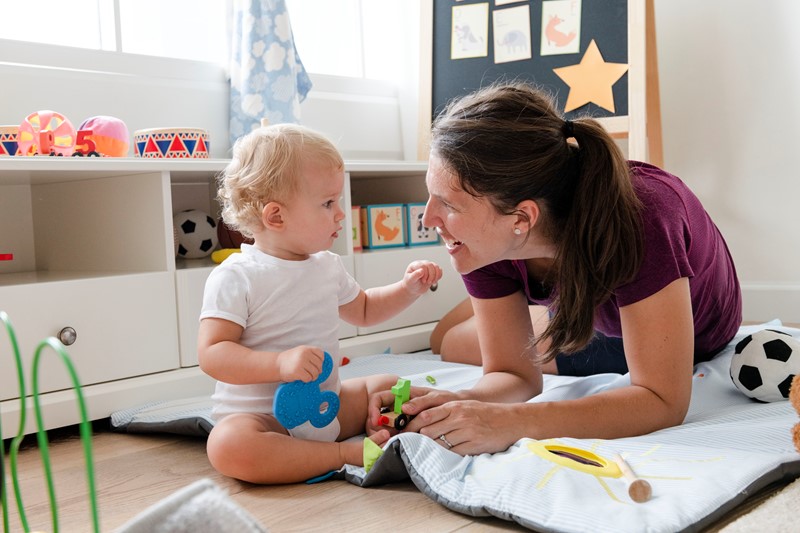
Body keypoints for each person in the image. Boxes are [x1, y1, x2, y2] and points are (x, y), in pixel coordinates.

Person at [369, 81, 741, 455]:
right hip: (578, 292)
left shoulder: (645, 218)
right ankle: (532, 298)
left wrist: (512, 422)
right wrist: (459, 404)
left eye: (448, 204)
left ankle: (535, 301)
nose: (428, 218)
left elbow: (662, 399)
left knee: (457, 343)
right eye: (430, 195)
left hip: (693, 335)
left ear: (521, 217)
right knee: (446, 339)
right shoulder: (483, 242)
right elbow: (513, 374)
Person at [198, 123, 442, 484]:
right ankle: (341, 453)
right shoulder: (238, 275)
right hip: (263, 419)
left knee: (389, 385)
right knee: (227, 446)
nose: (341, 214)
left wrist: (407, 289)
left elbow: (364, 310)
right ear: (276, 216)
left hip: (326, 405)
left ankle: (339, 438)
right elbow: (213, 353)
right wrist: (279, 364)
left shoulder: (328, 265)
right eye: (328, 203)